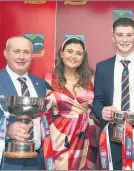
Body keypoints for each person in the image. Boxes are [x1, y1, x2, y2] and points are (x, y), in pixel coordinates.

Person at [0, 36, 52, 170]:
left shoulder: (40, 84)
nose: (21, 57)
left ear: (32, 56)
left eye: (26, 52)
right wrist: (7, 129)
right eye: (16, 51)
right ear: (6, 53)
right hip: (2, 162)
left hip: (35, 162)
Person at [92, 17, 134, 170]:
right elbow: (97, 101)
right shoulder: (102, 67)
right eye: (120, 35)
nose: (124, 39)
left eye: (129, 35)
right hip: (111, 136)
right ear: (113, 37)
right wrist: (102, 111)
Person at [43, 37, 99, 170]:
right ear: (61, 54)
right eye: (70, 51)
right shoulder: (48, 79)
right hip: (59, 137)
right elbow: (43, 112)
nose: (74, 56)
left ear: (83, 58)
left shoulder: (91, 80)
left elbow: (99, 108)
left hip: (86, 136)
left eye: (79, 53)